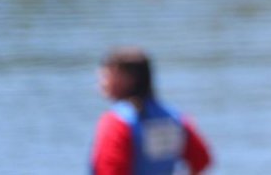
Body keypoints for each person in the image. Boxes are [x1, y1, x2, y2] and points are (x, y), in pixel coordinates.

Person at [90, 47, 213, 175]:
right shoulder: (174, 118)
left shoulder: (117, 122)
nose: (102, 82)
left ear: (128, 79)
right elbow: (201, 161)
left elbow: (109, 171)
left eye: (107, 75)